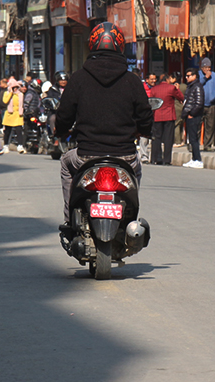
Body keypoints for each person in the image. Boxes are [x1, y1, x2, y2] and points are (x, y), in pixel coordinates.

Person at [55, 21, 152, 227]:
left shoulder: (78, 78)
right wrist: (143, 131)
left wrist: (61, 131)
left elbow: (64, 115)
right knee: (137, 170)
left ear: (92, 44)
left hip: (85, 156)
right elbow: (145, 116)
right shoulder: (133, 81)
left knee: (65, 163)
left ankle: (70, 219)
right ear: (120, 45)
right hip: (125, 157)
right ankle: (130, 218)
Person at [148, 74, 183, 166]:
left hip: (157, 115)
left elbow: (151, 102)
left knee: (156, 138)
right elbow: (181, 97)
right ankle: (167, 160)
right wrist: (177, 89)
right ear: (167, 79)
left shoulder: (154, 89)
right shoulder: (171, 88)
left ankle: (156, 158)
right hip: (169, 115)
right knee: (168, 138)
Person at [181, 68, 205, 169]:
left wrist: (192, 113)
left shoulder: (197, 86)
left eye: (189, 75)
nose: (187, 77)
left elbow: (199, 103)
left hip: (194, 116)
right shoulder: (191, 86)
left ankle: (198, 159)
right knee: (191, 139)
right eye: (186, 76)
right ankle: (194, 158)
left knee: (194, 139)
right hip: (188, 115)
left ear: (195, 76)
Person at [198, 58, 215, 151]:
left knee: (210, 126)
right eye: (206, 67)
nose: (207, 69)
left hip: (211, 104)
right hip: (199, 104)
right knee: (197, 126)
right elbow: (197, 85)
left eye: (209, 67)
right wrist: (205, 78)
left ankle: (207, 145)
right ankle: (194, 145)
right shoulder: (198, 75)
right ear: (202, 68)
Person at [2, 78, 25, 152]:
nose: (15, 89)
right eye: (13, 87)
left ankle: (20, 146)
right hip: (9, 114)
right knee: (7, 131)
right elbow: (5, 101)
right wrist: (11, 93)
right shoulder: (6, 93)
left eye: (16, 87)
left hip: (18, 115)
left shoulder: (20, 94)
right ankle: (6, 145)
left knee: (19, 130)